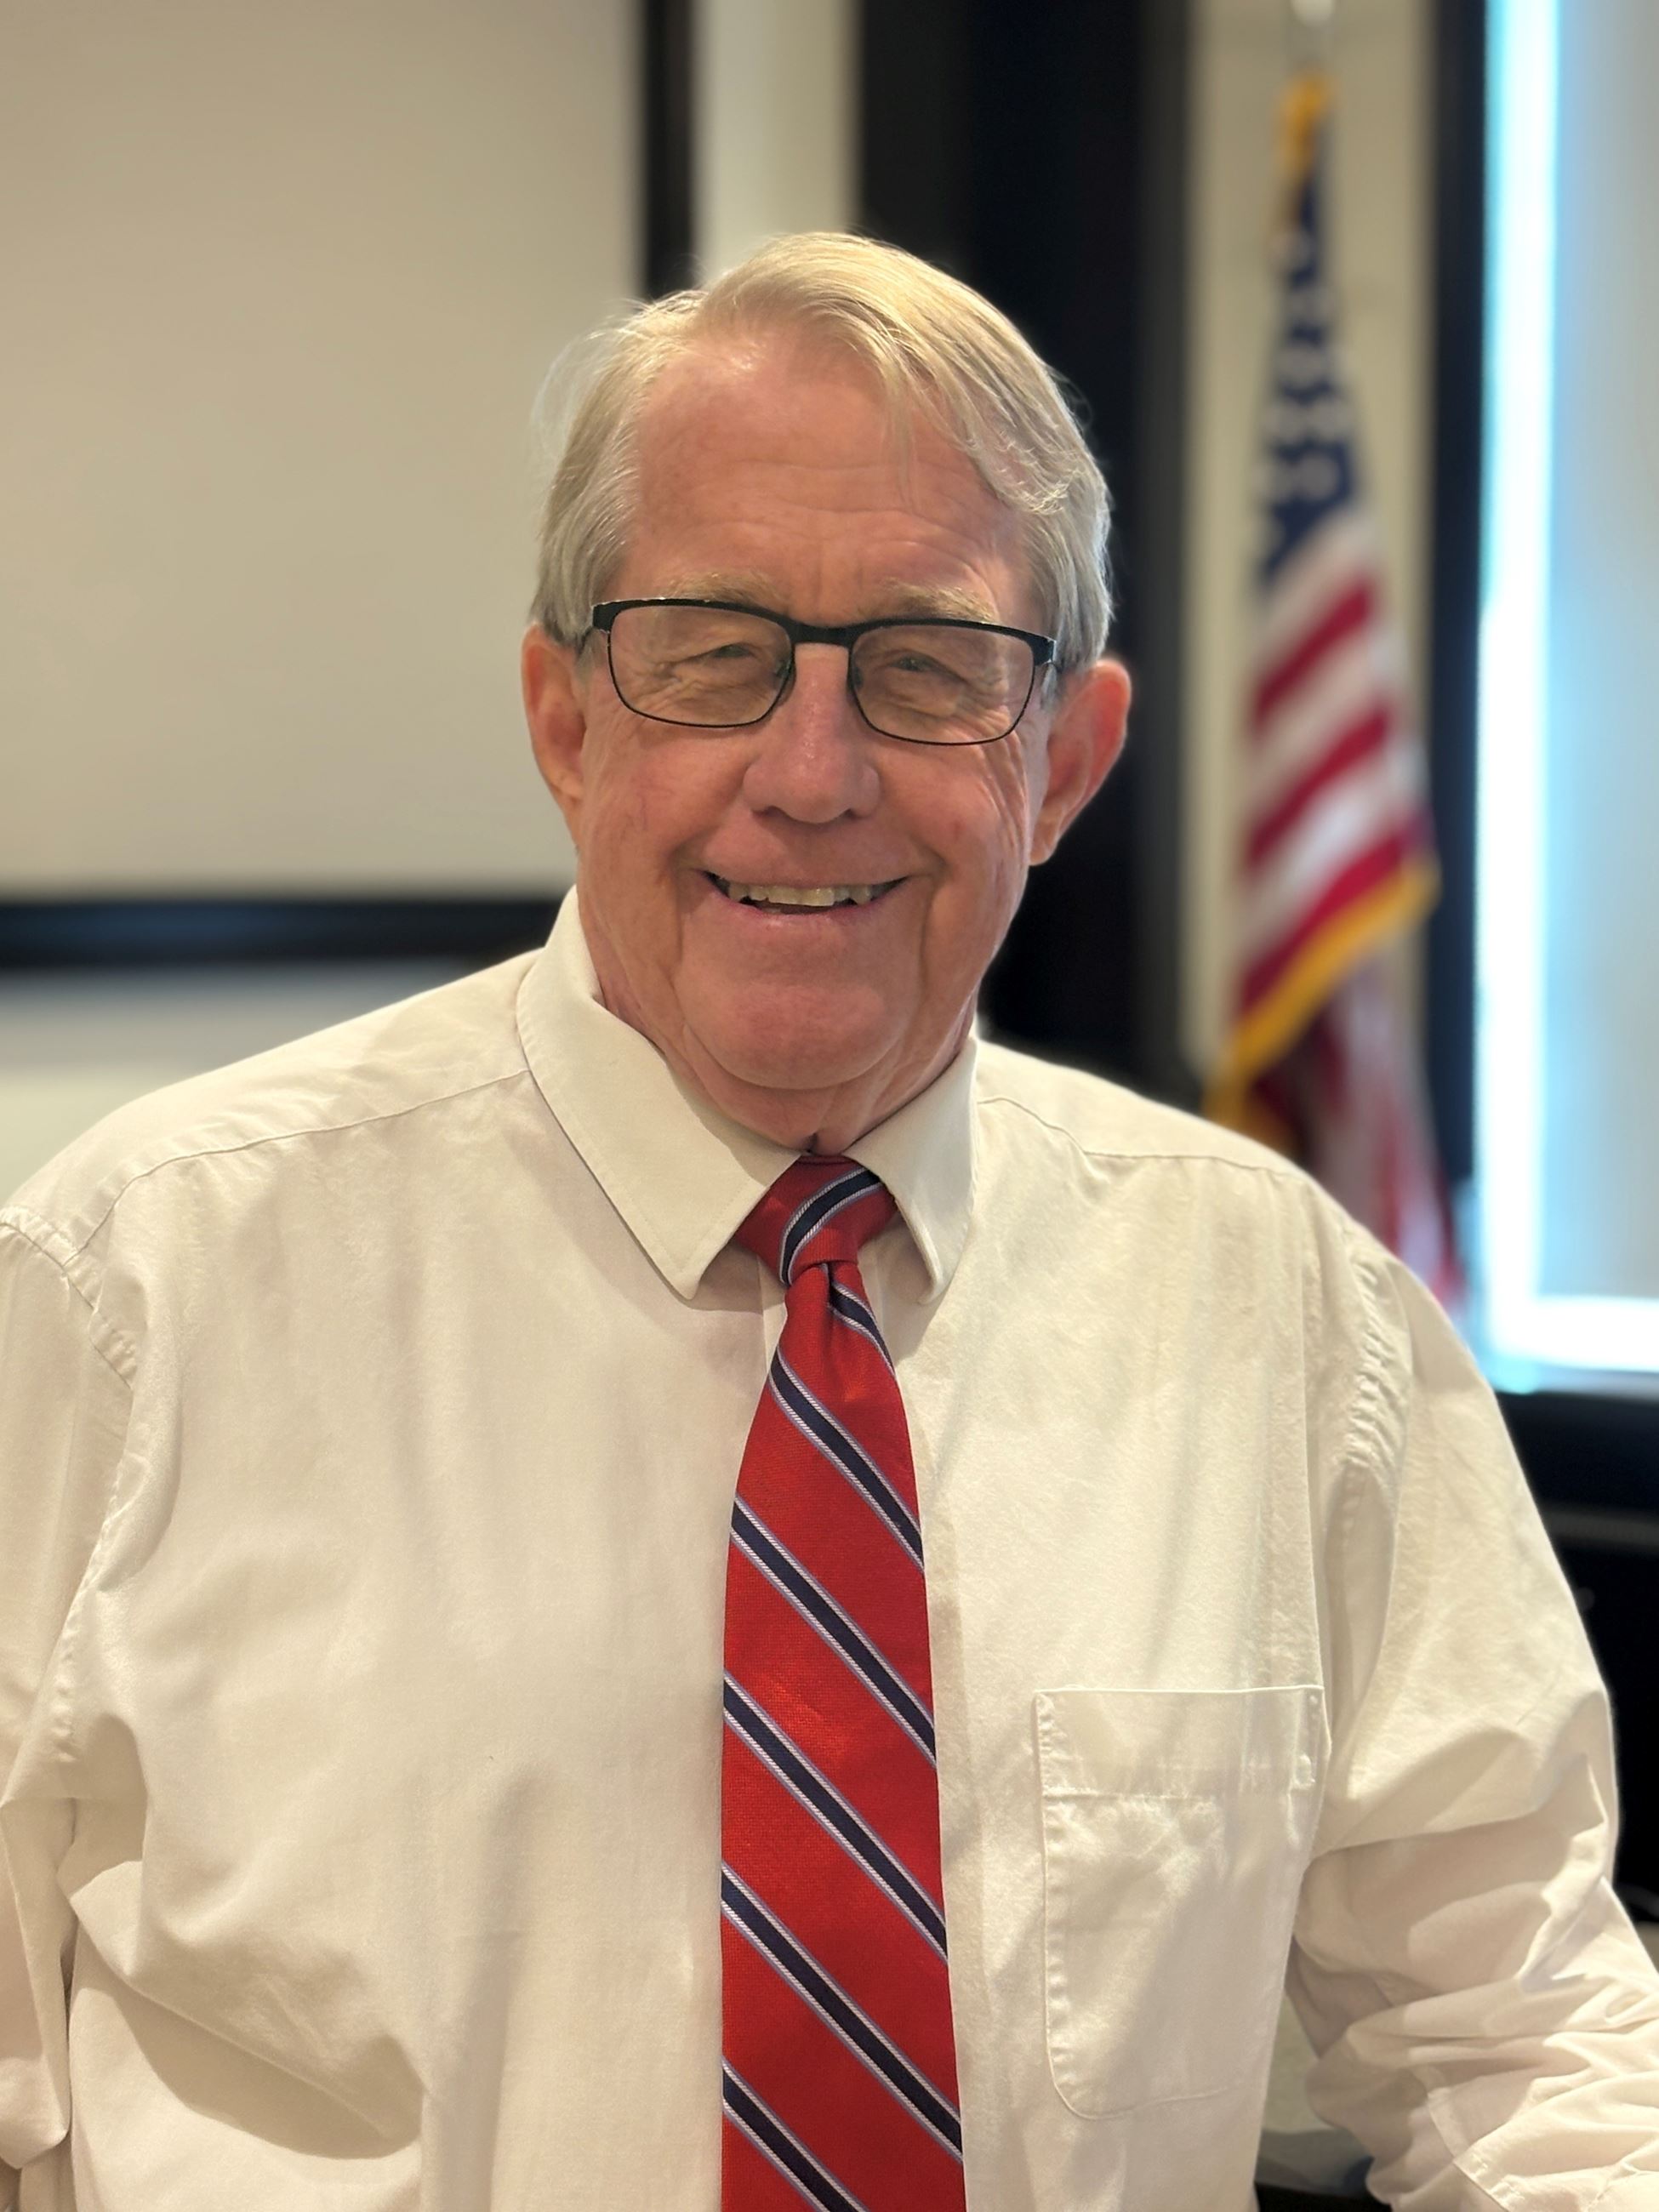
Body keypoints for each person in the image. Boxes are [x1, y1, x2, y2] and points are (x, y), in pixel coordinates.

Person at [2, 232, 1656, 2212]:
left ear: (1068, 761)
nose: (811, 776)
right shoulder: (132, 1290)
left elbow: (1531, 2033)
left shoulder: (1293, 1323)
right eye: (709, 652)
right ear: (564, 721)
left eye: (930, 670)